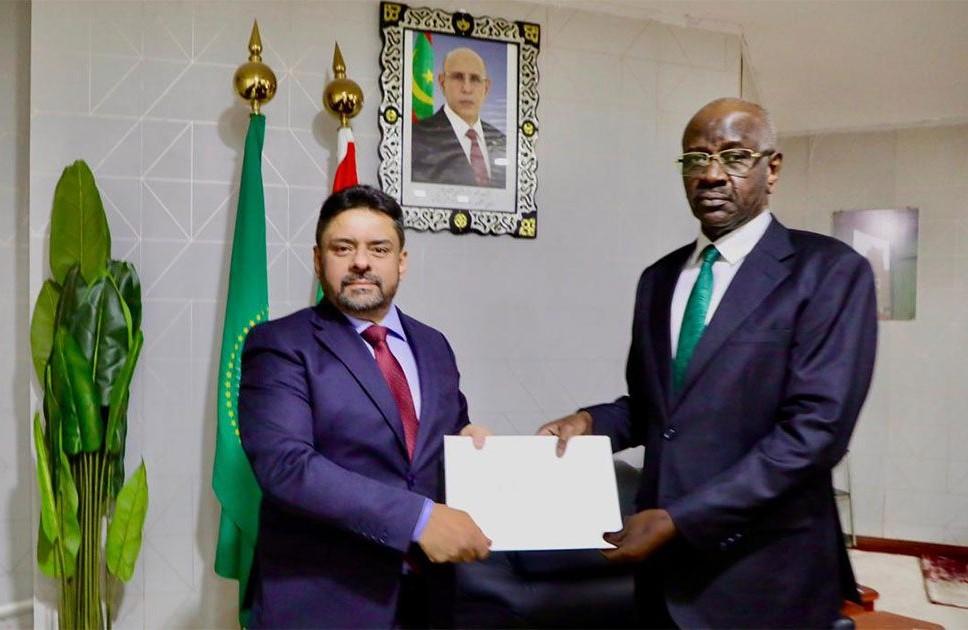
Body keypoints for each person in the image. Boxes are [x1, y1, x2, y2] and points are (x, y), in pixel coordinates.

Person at [538, 98, 877, 629]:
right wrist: (590, 422)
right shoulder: (659, 279)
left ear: (772, 169)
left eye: (734, 156)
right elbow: (657, 408)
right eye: (696, 159)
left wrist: (680, 519)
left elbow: (816, 434)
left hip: (767, 576)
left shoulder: (829, 272)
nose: (712, 175)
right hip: (663, 575)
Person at [239, 185, 492, 629]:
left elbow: (435, 440)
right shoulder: (280, 344)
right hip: (325, 603)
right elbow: (286, 466)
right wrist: (419, 520)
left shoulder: (434, 345)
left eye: (379, 248)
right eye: (343, 248)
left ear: (401, 262)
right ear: (318, 260)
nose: (361, 262)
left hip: (429, 599)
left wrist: (467, 439)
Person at [411, 47, 507, 188]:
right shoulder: (415, 138)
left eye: (475, 79)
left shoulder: (503, 143)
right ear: (442, 83)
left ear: (486, 88)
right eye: (458, 77)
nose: (466, 89)